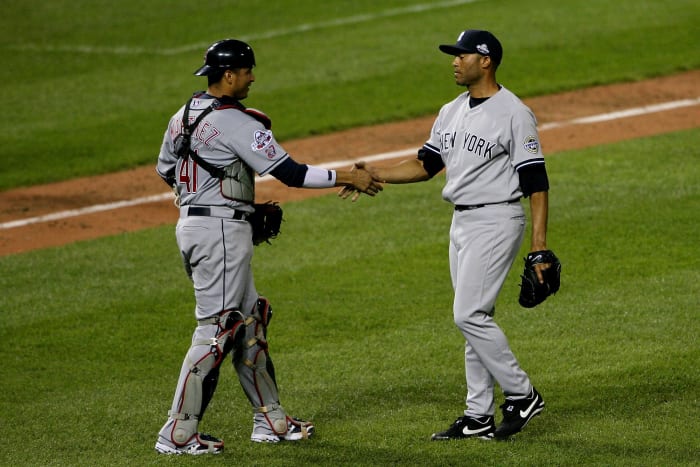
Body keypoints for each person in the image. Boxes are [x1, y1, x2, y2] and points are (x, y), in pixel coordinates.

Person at [154, 38, 382, 455]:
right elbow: (291, 173)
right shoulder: (236, 122)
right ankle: (178, 432)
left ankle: (270, 421)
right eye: (247, 71)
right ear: (229, 75)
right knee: (216, 330)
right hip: (220, 235)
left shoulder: (181, 116)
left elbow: (166, 169)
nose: (252, 77)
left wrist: (223, 199)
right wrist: (348, 176)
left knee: (251, 321)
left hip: (198, 226)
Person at [342, 29, 551, 440]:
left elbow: (536, 181)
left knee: (468, 314)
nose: (454, 61)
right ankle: (478, 415)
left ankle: (522, 393)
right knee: (476, 318)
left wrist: (539, 247)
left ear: (486, 61)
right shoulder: (451, 110)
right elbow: (425, 164)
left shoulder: (514, 113)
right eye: (453, 55)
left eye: (462, 55)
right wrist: (374, 174)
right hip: (462, 222)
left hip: (497, 220)